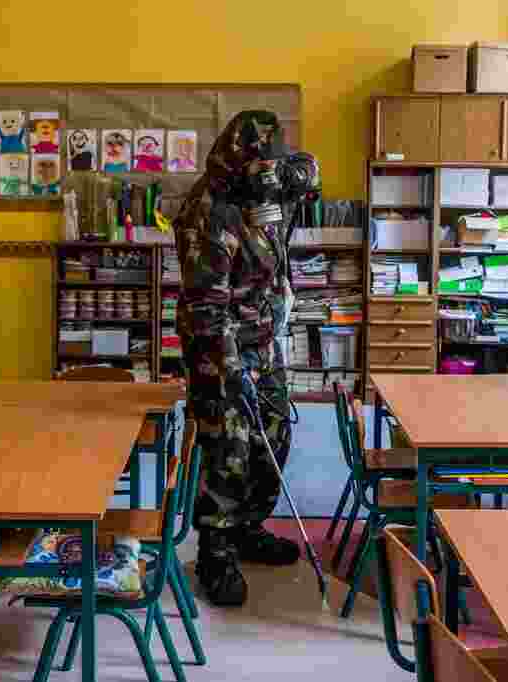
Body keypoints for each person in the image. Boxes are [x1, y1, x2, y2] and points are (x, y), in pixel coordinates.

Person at [174, 110, 320, 607]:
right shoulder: (208, 210)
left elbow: (291, 216)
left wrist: (294, 184)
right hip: (217, 343)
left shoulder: (267, 195)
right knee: (228, 444)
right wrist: (229, 367)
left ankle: (247, 527)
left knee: (275, 432)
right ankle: (215, 547)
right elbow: (206, 305)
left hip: (262, 339)